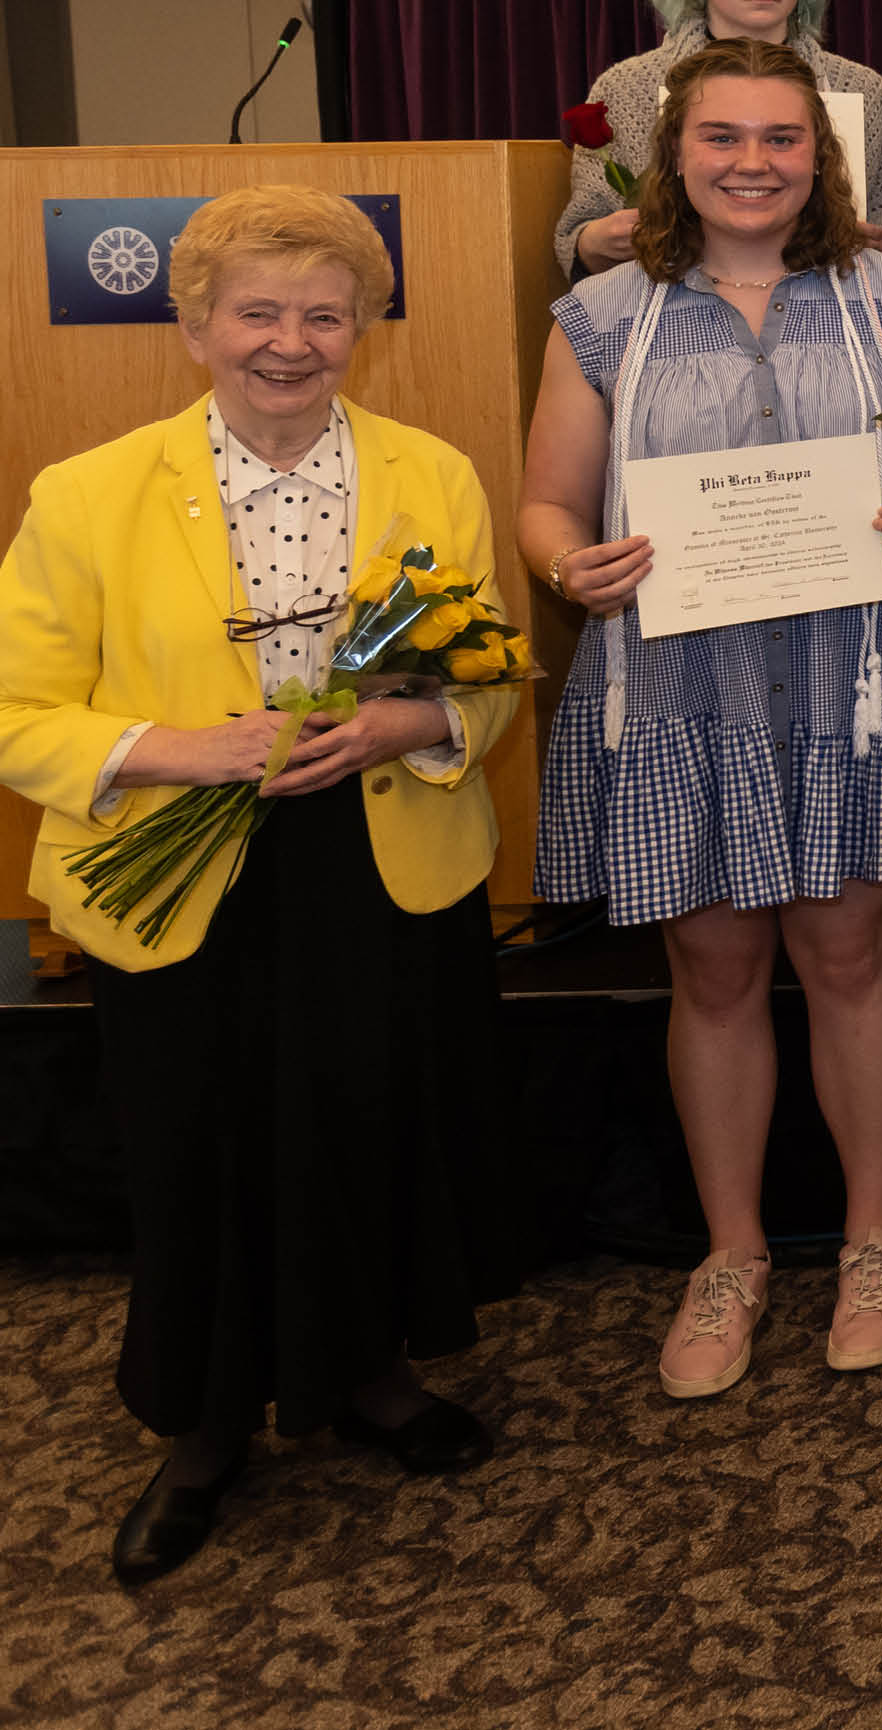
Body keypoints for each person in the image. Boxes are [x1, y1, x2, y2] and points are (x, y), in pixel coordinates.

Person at [0, 189, 520, 1584]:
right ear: (194, 327)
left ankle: (367, 1371)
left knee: (366, 1119)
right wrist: (174, 749)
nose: (291, 342)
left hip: (375, 849)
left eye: (324, 314)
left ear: (361, 329)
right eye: (258, 311)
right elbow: (16, 710)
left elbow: (487, 667)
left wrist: (410, 723)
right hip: (174, 862)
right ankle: (204, 1423)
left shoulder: (431, 471)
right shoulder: (89, 491)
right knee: (199, 1140)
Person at [521, 38, 882, 1402]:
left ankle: (871, 1234)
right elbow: (546, 501)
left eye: (780, 139)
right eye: (722, 137)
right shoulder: (604, 312)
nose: (751, 162)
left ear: (819, 154)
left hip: (853, 681)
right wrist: (571, 565)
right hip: (679, 691)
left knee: (852, 957)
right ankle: (730, 1253)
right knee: (715, 970)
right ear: (674, 151)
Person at [554, 0, 882, 280]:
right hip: (668, 307)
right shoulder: (626, 88)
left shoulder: (862, 87)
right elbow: (581, 235)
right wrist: (594, 243)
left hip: (832, 304)